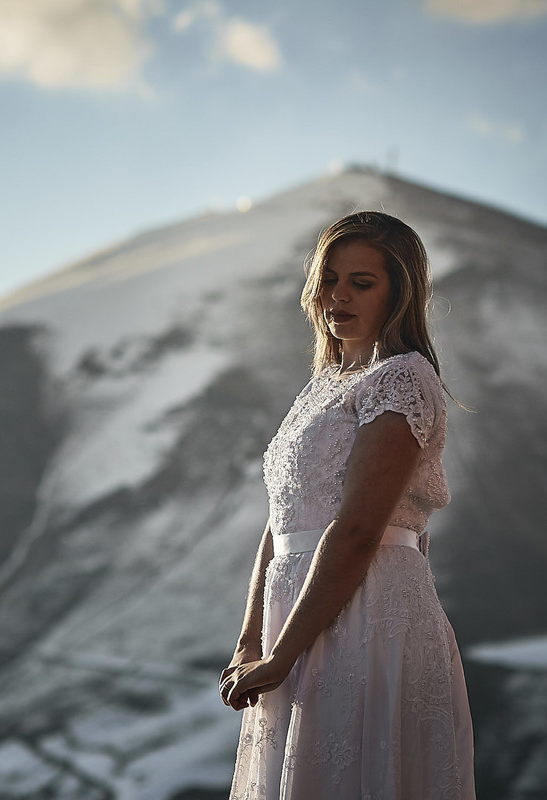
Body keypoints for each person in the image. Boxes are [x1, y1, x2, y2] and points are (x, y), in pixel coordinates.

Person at [219, 210, 476, 799]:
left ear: (398, 292)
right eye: (329, 279)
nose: (338, 296)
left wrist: (281, 655)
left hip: (368, 613)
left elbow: (359, 527)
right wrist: (251, 640)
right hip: (296, 615)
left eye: (361, 282)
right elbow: (282, 522)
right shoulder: (321, 386)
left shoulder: (401, 378)